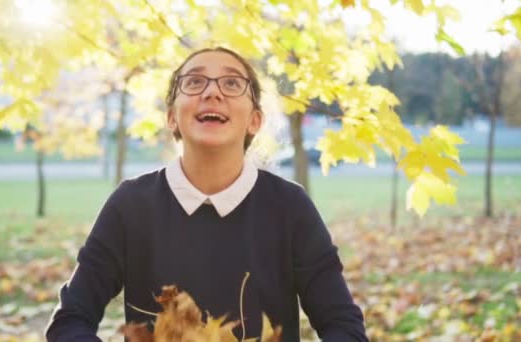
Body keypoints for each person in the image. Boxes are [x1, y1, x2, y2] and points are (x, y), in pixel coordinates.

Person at [45, 47, 367, 341]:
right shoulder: (131, 205)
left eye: (231, 84)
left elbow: (343, 326)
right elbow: (71, 320)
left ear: (255, 120)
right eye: (195, 82)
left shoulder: (290, 207)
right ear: (172, 116)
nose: (212, 92)